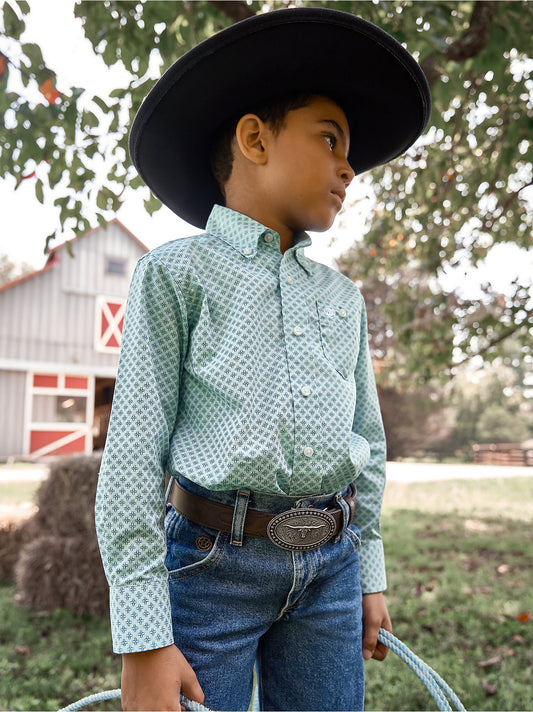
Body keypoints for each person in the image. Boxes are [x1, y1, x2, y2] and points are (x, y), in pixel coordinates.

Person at [95, 8, 431, 712]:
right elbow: (131, 453)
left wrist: (368, 573)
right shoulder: (174, 276)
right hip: (210, 566)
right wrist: (142, 638)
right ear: (254, 138)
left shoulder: (343, 297)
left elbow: (365, 443)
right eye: (330, 139)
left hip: (332, 573)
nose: (348, 167)